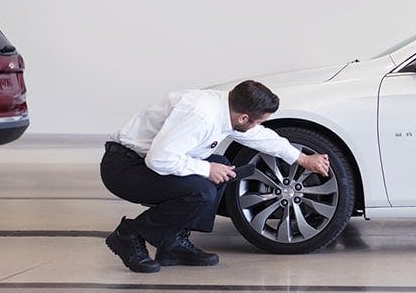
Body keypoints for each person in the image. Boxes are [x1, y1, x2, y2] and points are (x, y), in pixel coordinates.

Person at [100, 80, 330, 273]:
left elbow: (261, 137)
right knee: (202, 189)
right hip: (124, 168)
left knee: (223, 167)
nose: (258, 126)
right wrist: (206, 170)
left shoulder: (225, 107)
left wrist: (301, 158)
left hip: (145, 162)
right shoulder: (202, 116)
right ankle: (129, 234)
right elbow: (158, 159)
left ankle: (171, 243)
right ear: (243, 118)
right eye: (258, 121)